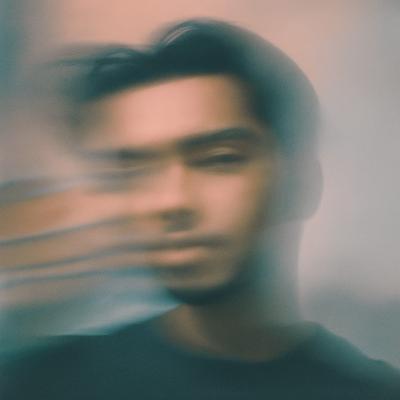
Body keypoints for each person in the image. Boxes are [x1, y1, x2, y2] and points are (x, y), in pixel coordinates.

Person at [1, 18, 399, 400]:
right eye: (135, 171)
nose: (172, 201)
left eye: (219, 159)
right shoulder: (43, 383)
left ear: (299, 181)